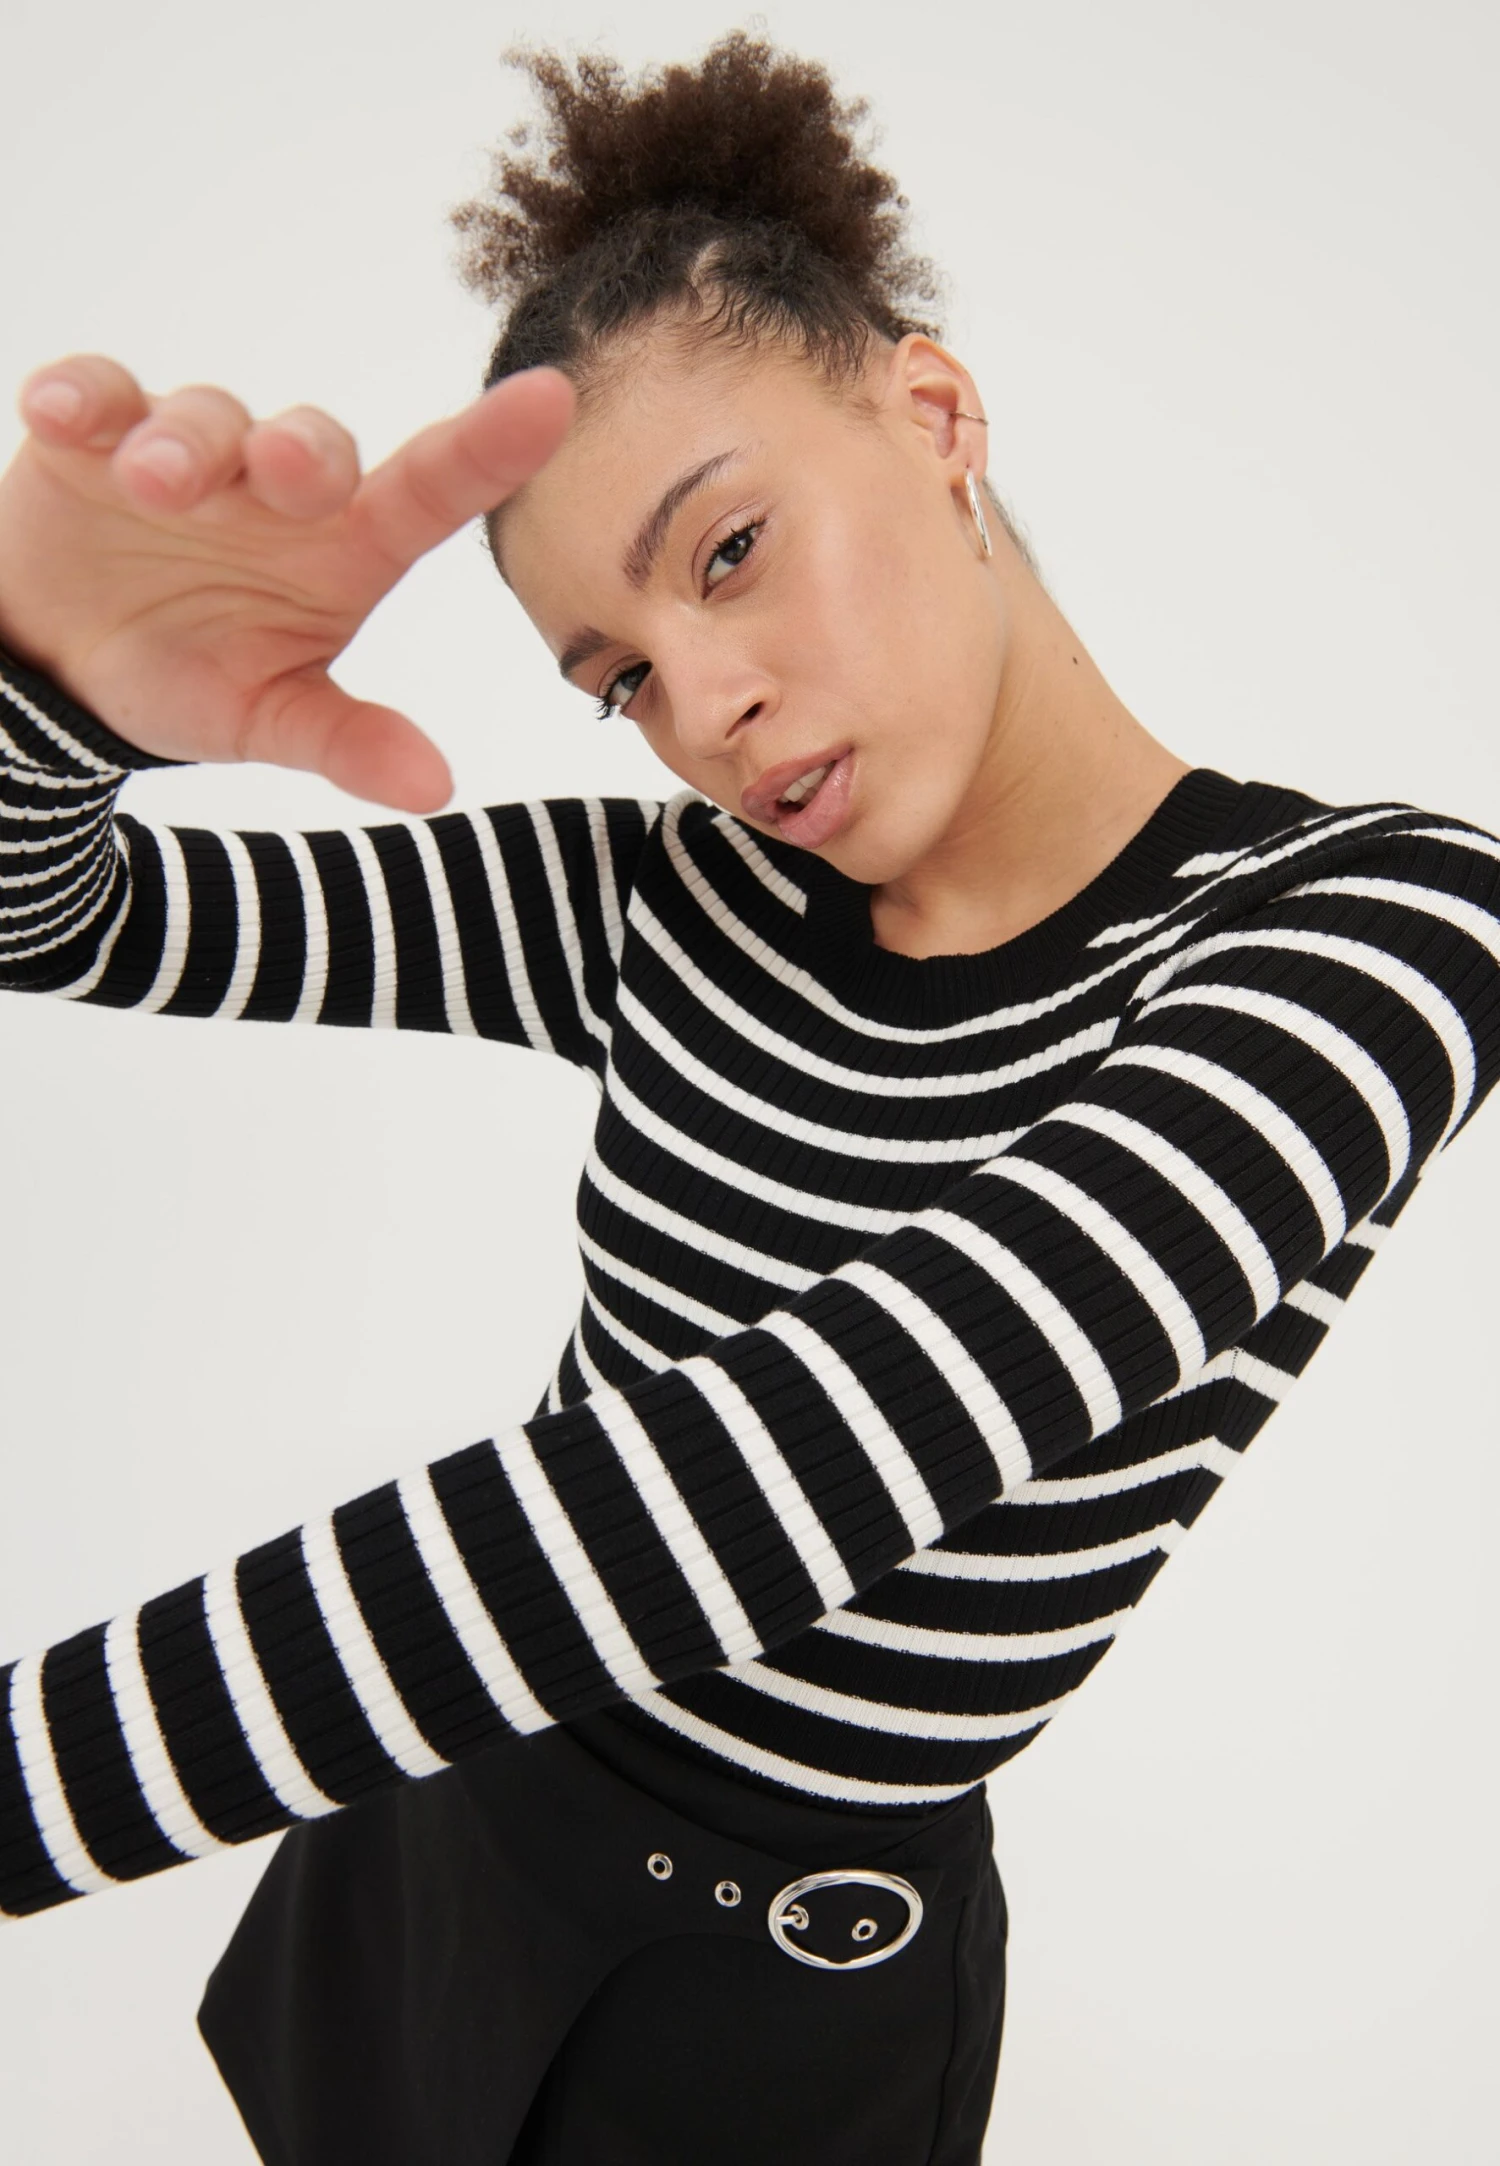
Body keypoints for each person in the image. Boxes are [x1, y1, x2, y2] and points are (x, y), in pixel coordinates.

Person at [0, 28, 1497, 2166]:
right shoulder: (661, 897)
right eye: (615, 677)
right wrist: (60, 703)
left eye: (724, 553)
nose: (702, 707)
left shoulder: (1378, 931)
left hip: (775, 2003)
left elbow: (780, 1477)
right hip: (436, 1811)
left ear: (934, 412)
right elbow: (70, 919)